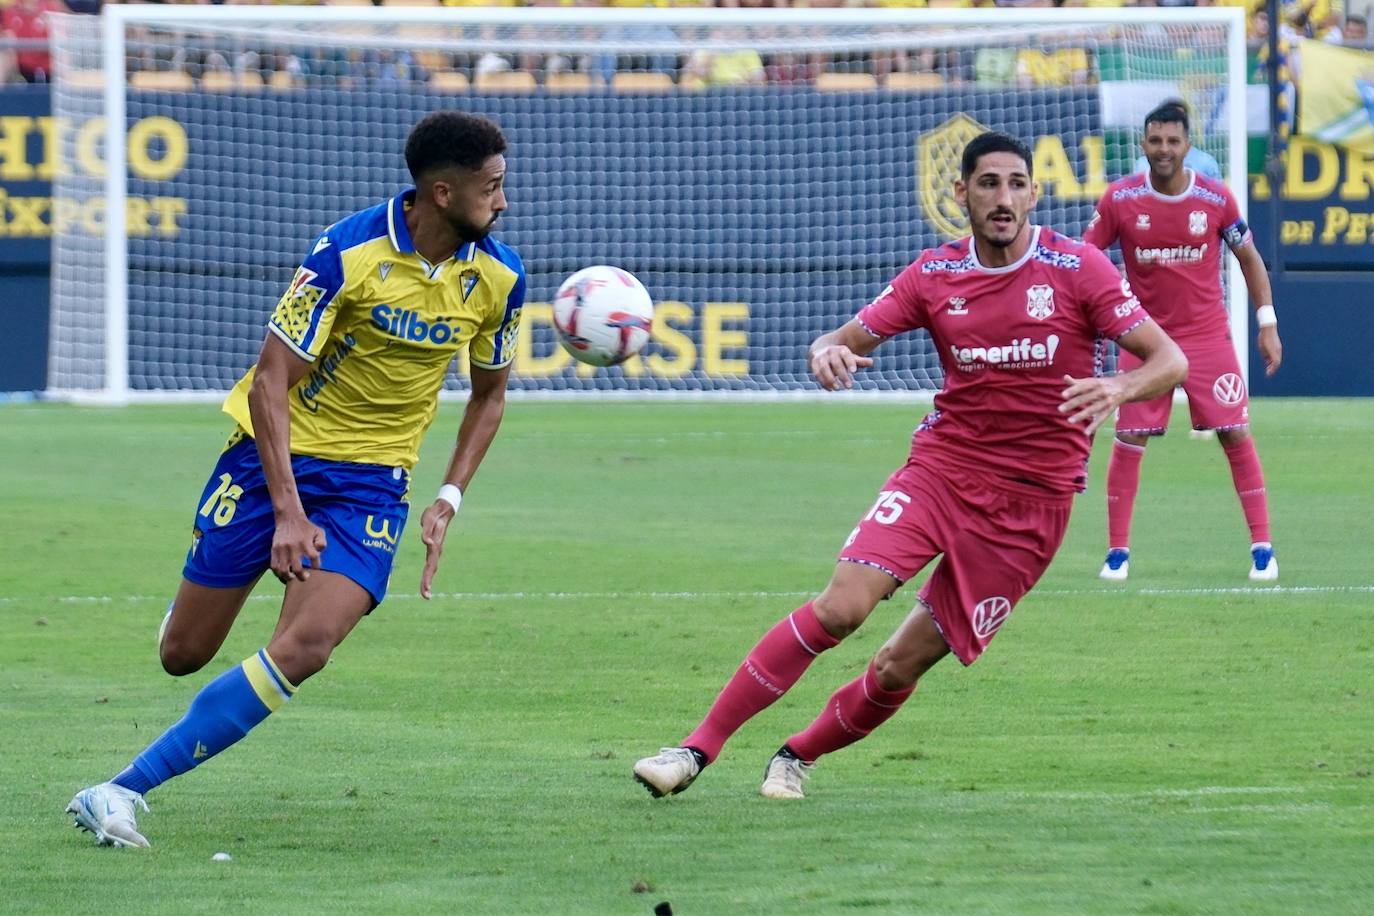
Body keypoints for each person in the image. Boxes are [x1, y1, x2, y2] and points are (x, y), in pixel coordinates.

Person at [633, 132, 1187, 801]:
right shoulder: (935, 275)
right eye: (988, 184)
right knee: (841, 609)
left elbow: (1169, 361)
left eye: (1017, 184)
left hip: (1031, 509)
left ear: (1034, 194)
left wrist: (1120, 389)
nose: (1003, 198)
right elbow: (839, 339)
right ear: (962, 194)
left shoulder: (1079, 271)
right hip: (942, 473)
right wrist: (826, 352)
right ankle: (694, 750)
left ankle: (796, 754)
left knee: (899, 665)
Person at [65, 111, 526, 848]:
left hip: (372, 487)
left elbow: (489, 394)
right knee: (182, 655)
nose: (502, 201)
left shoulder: (499, 278)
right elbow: (269, 381)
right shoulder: (345, 254)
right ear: (442, 192)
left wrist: (449, 495)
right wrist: (287, 511)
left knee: (306, 646)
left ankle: (119, 789)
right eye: (491, 187)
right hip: (270, 461)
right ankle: (210, 594)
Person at [1084, 101, 1283, 583]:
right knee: (1130, 438)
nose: (1164, 149)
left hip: (1207, 336)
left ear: (1188, 146)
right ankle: (1117, 554)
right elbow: (1085, 259)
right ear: (1143, 144)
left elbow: (1250, 259)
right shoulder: (1120, 199)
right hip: (1144, 338)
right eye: (1156, 140)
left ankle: (1262, 548)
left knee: (1234, 431)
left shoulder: (1216, 200)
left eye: (1173, 141)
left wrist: (1267, 322)